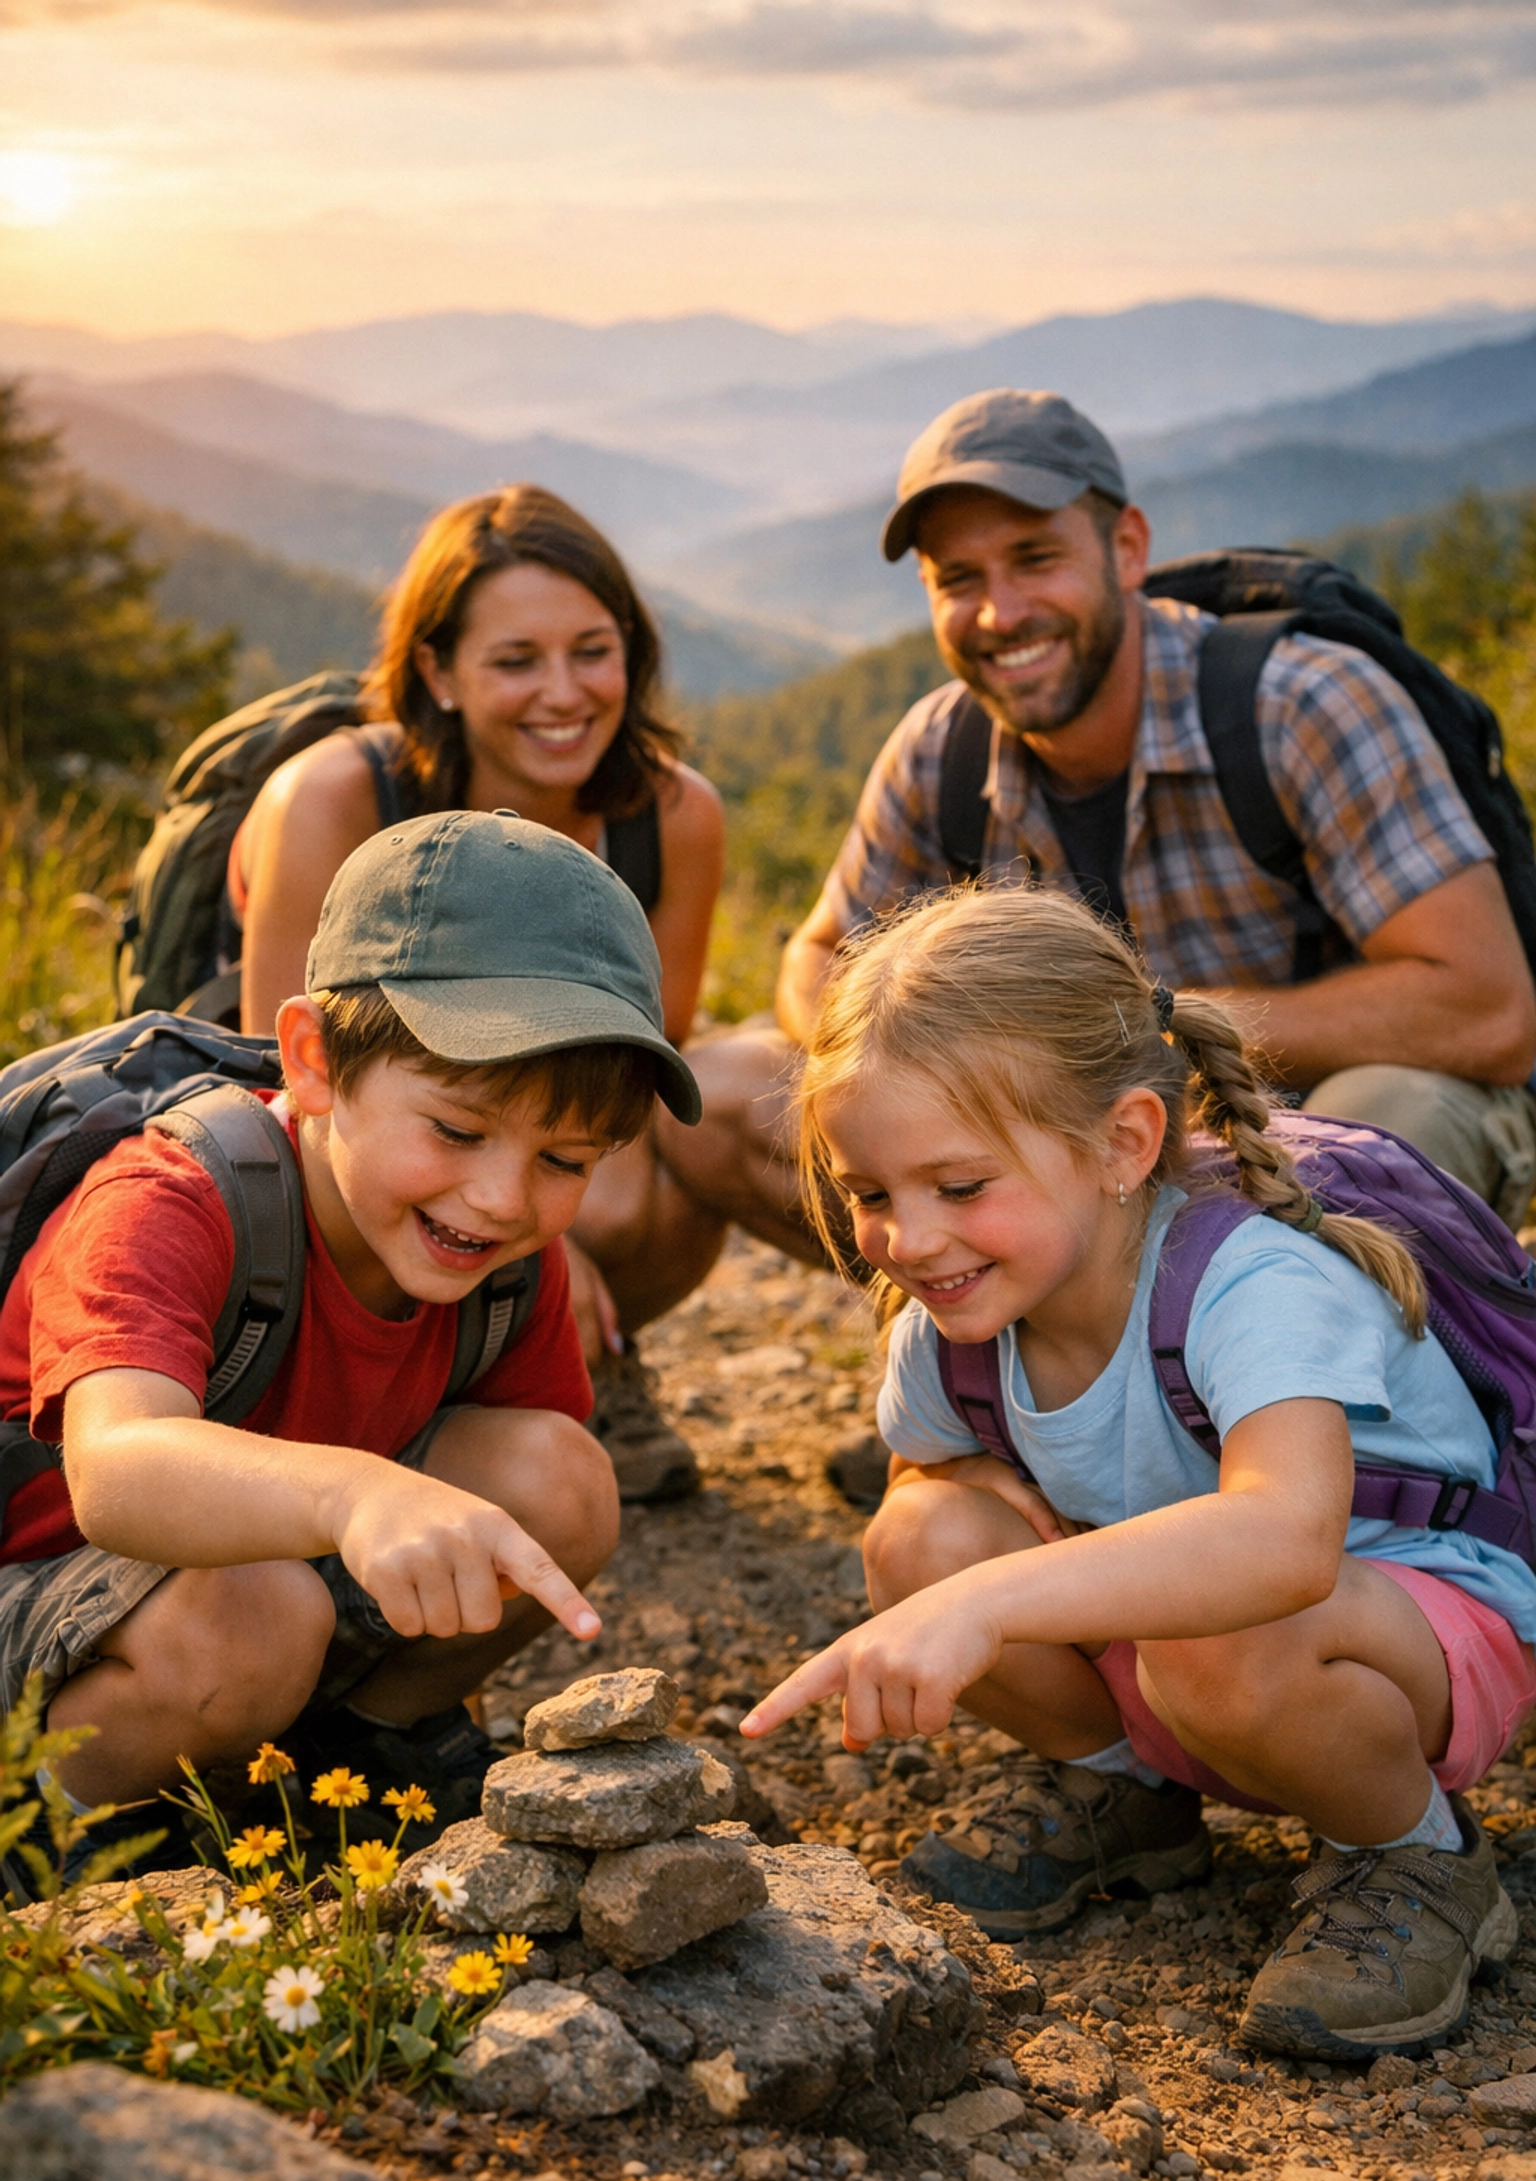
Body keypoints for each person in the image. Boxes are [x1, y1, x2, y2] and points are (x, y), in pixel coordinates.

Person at [742, 884, 1536, 2062]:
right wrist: (957, 1522)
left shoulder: (1252, 1283)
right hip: (1191, 1661)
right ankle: (1128, 1793)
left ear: (1123, 1144)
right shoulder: (952, 1318)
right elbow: (926, 1476)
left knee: (1208, 1632)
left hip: (1399, 1636)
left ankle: (1414, 1851)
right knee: (919, 1541)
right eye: (870, 1195)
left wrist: (989, 1603)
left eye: (960, 1187)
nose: (909, 1240)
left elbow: (1283, 1545)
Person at [0, 811, 701, 1858]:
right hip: (45, 1599)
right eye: (457, 1130)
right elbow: (115, 1469)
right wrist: (354, 1493)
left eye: (565, 1160)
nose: (503, 1198)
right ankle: (44, 1832)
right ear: (313, 1060)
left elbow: (523, 1503)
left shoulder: (503, 1261)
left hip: (243, 1596)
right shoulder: (171, 1197)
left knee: (561, 1482)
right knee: (259, 1613)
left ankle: (358, 1750)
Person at [777, 389, 1536, 1227]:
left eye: (1036, 559)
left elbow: (1491, 1012)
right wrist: (931, 1070)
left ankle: (1313, 1300)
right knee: (736, 1093)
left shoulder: (1301, 705)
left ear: (1128, 549)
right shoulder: (940, 750)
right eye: (958, 579)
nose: (1000, 612)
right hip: (1092, 1143)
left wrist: (1136, 1030)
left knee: (1367, 1133)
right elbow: (817, 961)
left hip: (1324, 1115)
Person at [231, 484, 810, 1502]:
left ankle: (543, 1374)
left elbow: (626, 1073)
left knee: (696, 1118)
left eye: (592, 651)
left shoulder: (670, 816)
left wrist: (545, 1237)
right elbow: (275, 1086)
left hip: (497, 1138)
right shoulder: (335, 796)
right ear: (437, 673)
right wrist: (535, 1253)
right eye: (515, 661)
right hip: (322, 1172)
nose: (563, 693)